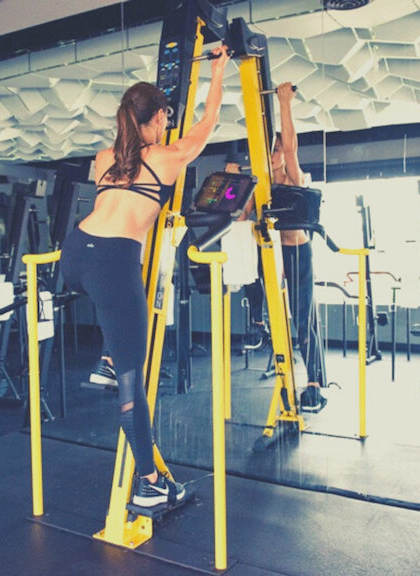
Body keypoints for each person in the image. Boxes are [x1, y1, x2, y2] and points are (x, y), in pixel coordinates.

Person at [60, 46, 230, 508]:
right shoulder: (168, 157)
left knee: (118, 337)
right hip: (113, 263)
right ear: (155, 119)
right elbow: (208, 122)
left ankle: (109, 359)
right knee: (133, 388)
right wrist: (218, 71)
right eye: (165, 119)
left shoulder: (102, 158)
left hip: (74, 256)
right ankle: (151, 482)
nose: (168, 126)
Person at [238, 81, 326, 413]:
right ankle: (258, 327)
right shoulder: (260, 183)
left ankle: (314, 382)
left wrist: (284, 104)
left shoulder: (292, 175)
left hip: (297, 253)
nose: (274, 155)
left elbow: (291, 148)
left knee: (303, 322)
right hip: (270, 256)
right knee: (259, 288)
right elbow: (241, 219)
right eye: (269, 151)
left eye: (275, 150)